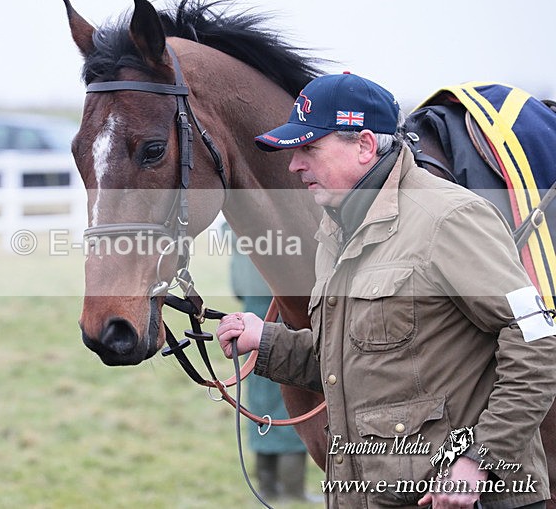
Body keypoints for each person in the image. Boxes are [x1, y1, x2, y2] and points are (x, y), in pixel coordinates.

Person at [216, 72, 556, 508]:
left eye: (309, 148)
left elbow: (537, 341)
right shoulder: (335, 232)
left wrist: (479, 460)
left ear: (364, 146)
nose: (294, 165)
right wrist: (265, 342)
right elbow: (358, 365)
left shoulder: (449, 217)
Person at [226, 222, 310, 501]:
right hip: (282, 310)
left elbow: (237, 284)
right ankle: (292, 490)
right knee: (291, 397)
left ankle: (268, 486)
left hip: (251, 310)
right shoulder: (279, 224)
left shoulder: (237, 225)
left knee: (260, 400)